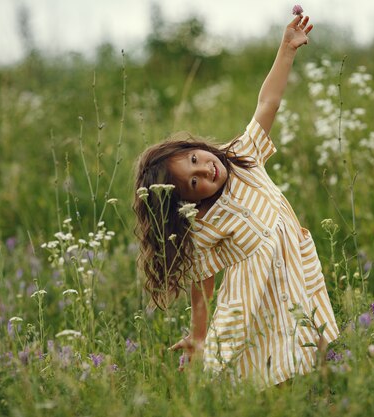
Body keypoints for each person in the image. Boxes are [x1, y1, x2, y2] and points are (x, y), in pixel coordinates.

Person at [133, 13, 339, 388]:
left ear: (196, 146)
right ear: (189, 203)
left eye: (195, 160)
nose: (204, 172)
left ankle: (328, 396)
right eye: (193, 183)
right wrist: (198, 335)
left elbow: (268, 102)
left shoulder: (243, 156)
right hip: (254, 302)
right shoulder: (204, 223)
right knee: (265, 369)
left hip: (296, 272)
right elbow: (202, 281)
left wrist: (287, 48)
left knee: (318, 345)